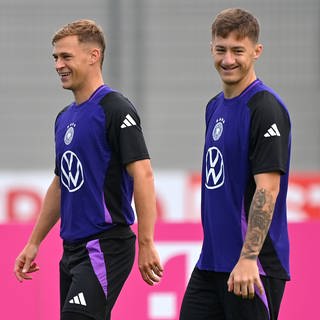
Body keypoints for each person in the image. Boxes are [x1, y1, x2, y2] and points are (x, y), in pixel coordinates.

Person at [14, 19, 163, 320]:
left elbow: (144, 174)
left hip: (105, 245)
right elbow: (60, 184)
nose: (58, 64)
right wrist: (33, 243)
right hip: (71, 251)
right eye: (55, 57)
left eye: (66, 56)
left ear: (93, 56)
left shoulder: (115, 109)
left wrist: (147, 242)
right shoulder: (64, 118)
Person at [180, 8, 291, 320]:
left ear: (256, 52)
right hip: (211, 263)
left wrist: (248, 258)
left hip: (252, 268)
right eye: (221, 50)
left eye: (237, 51)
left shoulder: (265, 108)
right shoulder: (213, 107)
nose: (227, 60)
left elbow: (267, 189)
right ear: (211, 49)